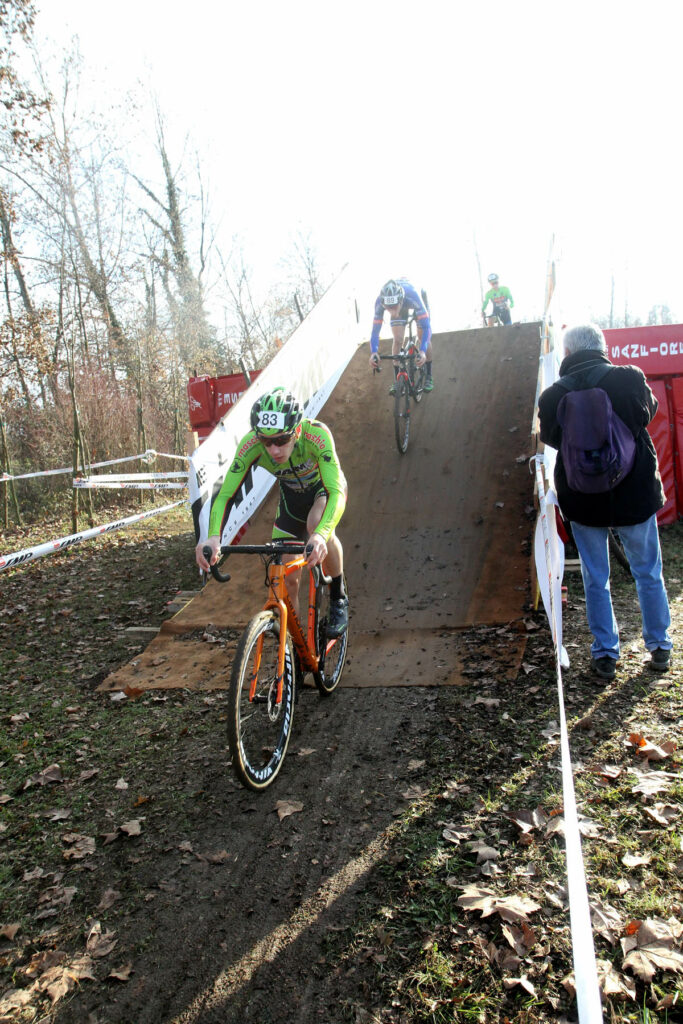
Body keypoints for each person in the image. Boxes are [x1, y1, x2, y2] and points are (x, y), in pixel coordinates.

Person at [538, 323, 673, 681]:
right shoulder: (629, 378)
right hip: (634, 493)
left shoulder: (552, 396)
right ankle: (659, 647)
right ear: (602, 347)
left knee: (595, 577)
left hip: (582, 499)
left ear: (568, 353)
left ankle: (605, 656)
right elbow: (648, 413)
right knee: (648, 572)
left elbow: (552, 438)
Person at [195, 387, 349, 636]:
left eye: (281, 440)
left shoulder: (317, 435)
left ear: (296, 431)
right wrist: (213, 537)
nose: (274, 450)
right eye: (266, 442)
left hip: (325, 491)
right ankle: (293, 650)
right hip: (291, 501)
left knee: (315, 523)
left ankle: (338, 597)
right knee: (288, 581)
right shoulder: (251, 445)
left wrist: (321, 534)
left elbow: (335, 492)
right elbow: (225, 495)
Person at [368, 278, 434, 394]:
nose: (392, 311)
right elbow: (375, 332)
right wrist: (373, 352)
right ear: (383, 304)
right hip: (402, 305)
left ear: (400, 301)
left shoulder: (413, 295)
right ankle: (397, 379)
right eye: (388, 308)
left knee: (422, 336)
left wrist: (422, 351)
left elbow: (426, 328)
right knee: (398, 340)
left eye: (394, 307)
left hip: (416, 301)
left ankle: (429, 375)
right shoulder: (379, 302)